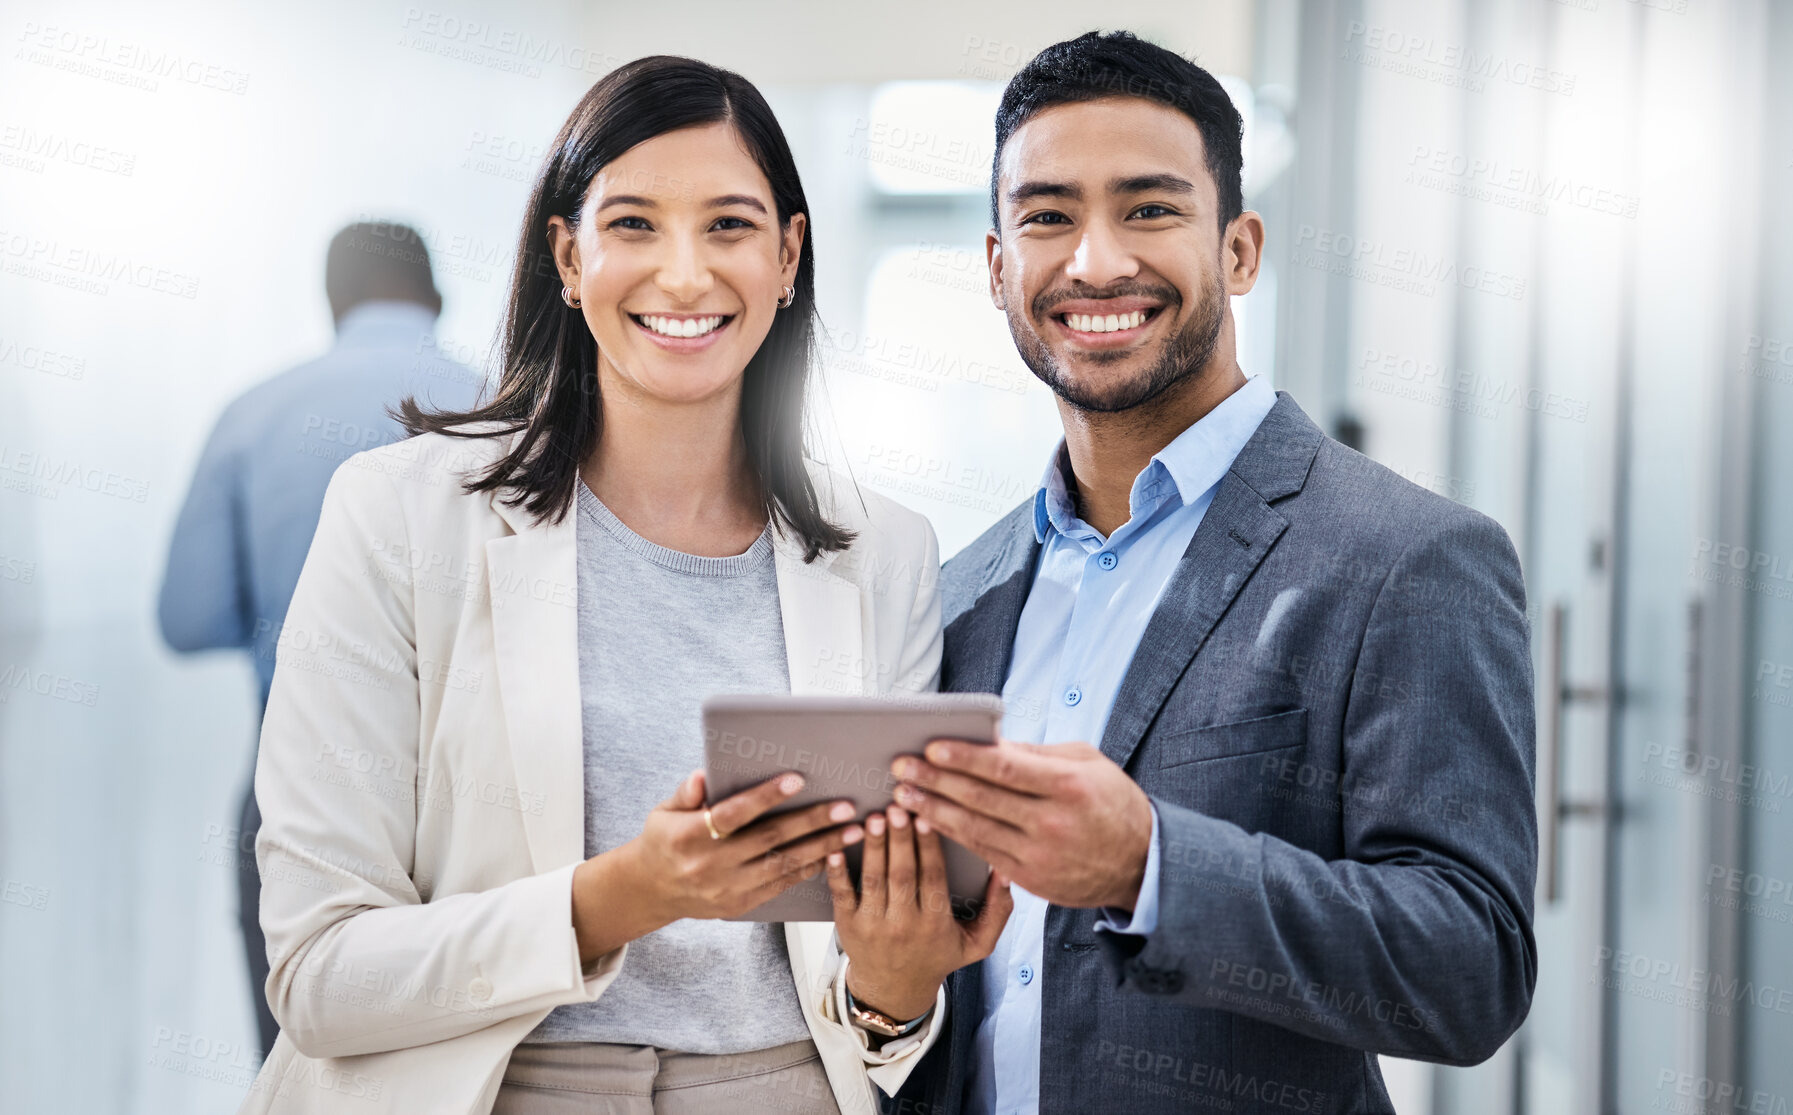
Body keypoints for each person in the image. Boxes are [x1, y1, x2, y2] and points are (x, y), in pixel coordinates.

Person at [238, 55, 1011, 1115]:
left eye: (730, 226)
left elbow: (870, 1010)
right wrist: (624, 895)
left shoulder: (883, 551)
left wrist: (895, 981)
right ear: (567, 253)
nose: (685, 275)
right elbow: (319, 973)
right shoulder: (399, 514)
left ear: (788, 255)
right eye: (634, 224)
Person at [883, 32, 1538, 1115]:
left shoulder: (1406, 558)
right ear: (998, 266)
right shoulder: (954, 594)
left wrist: (1151, 865)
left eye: (1147, 209)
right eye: (1047, 216)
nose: (1094, 262)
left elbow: (1467, 967)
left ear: (1237, 250)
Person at [157, 220, 481, 1057]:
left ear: (332, 302)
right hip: (482, 796)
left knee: (301, 1069)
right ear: (436, 299)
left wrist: (284, 618)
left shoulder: (252, 414)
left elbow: (186, 620)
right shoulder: (509, 407)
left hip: (296, 785)